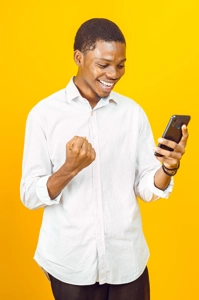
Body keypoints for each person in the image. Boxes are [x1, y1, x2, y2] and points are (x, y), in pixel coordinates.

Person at [20, 18, 189, 300]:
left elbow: (147, 188)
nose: (114, 73)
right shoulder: (44, 115)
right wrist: (69, 169)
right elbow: (29, 195)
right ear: (78, 57)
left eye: (121, 65)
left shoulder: (132, 113)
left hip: (127, 262)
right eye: (104, 64)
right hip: (71, 264)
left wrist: (169, 167)